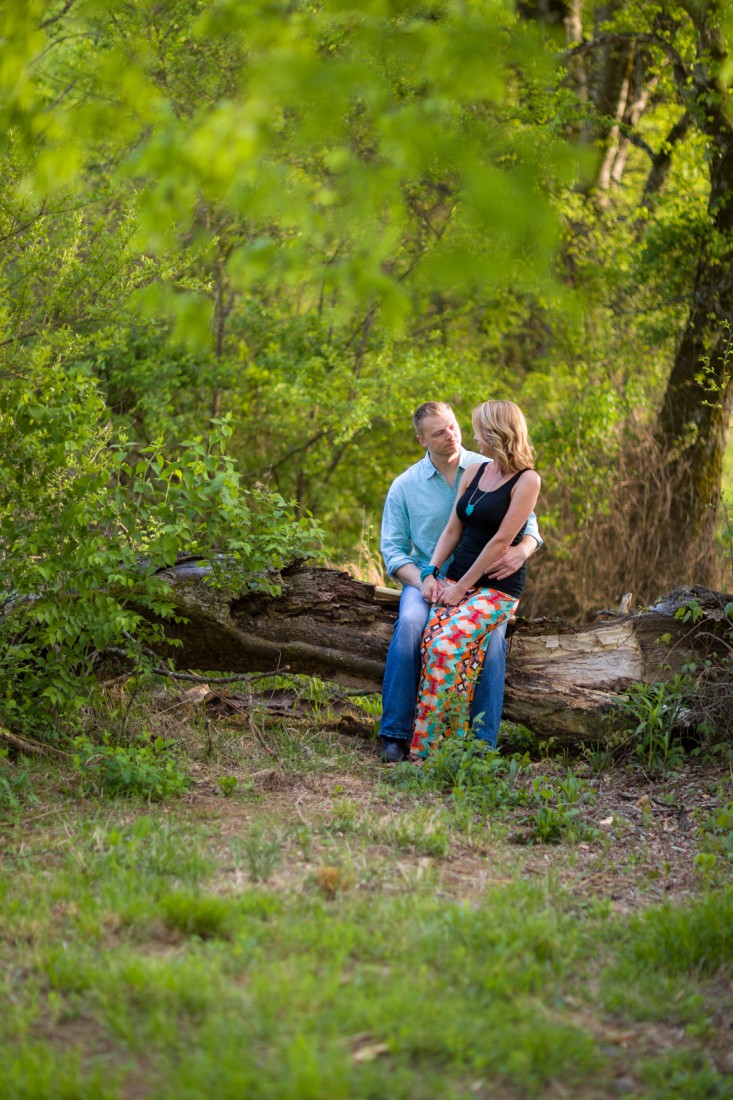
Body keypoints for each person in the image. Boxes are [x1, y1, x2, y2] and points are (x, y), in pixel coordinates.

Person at [379, 401, 541, 763]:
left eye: (453, 426)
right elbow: (393, 552)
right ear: (422, 440)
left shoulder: (489, 466)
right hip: (429, 578)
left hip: (483, 583)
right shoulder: (405, 486)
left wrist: (524, 550)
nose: (451, 435)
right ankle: (395, 733)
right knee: (411, 626)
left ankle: (481, 741)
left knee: (492, 641)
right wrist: (425, 578)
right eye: (439, 432)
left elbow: (525, 529)